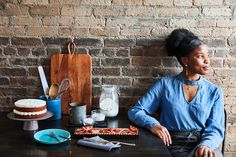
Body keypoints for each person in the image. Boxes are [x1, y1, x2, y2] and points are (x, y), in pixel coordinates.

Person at [128, 28, 225, 157]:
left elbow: (216, 128)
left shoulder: (214, 91)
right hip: (170, 144)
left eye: (207, 56)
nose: (207, 61)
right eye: (201, 56)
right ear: (185, 60)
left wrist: (205, 145)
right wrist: (153, 125)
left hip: (202, 145)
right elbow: (135, 111)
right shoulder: (164, 85)